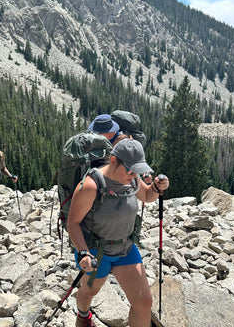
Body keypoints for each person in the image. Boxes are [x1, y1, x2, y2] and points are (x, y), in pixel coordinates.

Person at [67, 138, 169, 327]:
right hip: (97, 252)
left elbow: (147, 195)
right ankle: (83, 316)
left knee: (144, 302)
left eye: (137, 170)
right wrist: (83, 252)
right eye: (130, 170)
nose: (133, 175)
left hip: (125, 248)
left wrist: (156, 188)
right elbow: (73, 223)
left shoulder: (131, 179)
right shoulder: (90, 185)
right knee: (89, 292)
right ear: (113, 160)